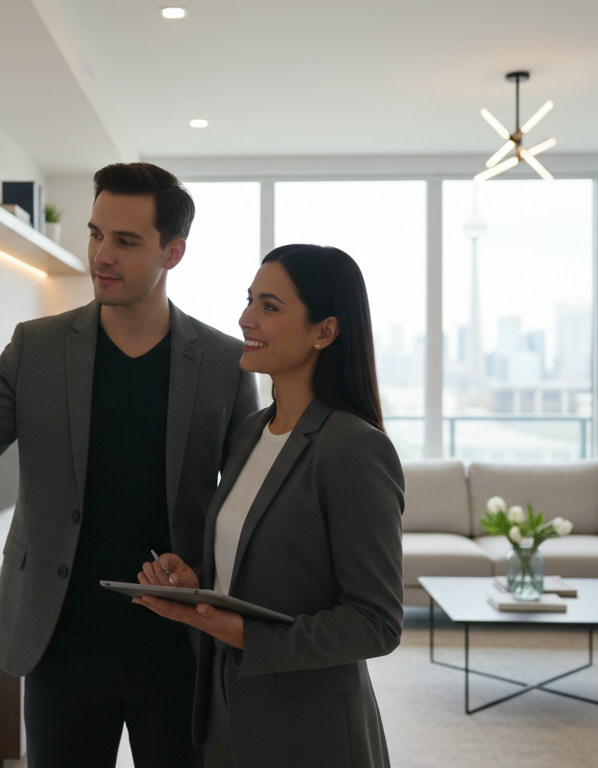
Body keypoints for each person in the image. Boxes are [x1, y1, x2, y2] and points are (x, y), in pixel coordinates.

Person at [0, 163, 258, 768]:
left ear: (174, 252)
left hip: (180, 648)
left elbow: (243, 509)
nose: (101, 255)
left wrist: (214, 581)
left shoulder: (223, 363)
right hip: (58, 645)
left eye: (126, 241)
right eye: (95, 234)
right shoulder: (37, 347)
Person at [132, 243, 405, 768]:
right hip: (227, 712)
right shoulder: (252, 432)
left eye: (270, 306)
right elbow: (259, 567)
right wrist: (200, 583)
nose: (245, 318)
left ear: (324, 332)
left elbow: (377, 622)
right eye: (250, 300)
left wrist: (244, 635)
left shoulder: (354, 450)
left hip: (310, 733)